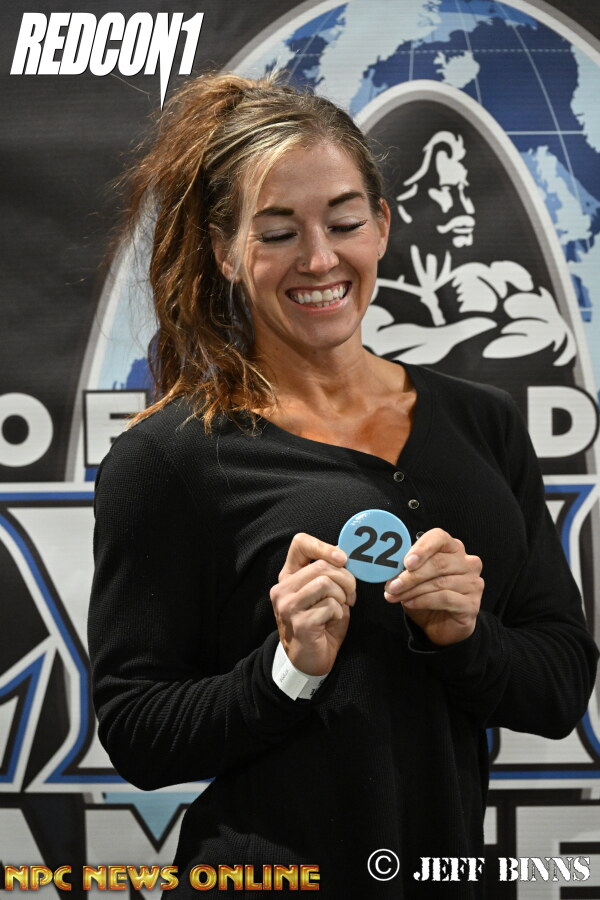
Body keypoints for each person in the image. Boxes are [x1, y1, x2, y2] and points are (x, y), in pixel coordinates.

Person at [87, 72, 598, 899]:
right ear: (225, 251)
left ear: (383, 225)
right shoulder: (169, 458)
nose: (320, 259)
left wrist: (467, 637)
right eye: (278, 232)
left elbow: (560, 684)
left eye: (345, 222)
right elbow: (138, 733)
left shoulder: (484, 424)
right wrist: (286, 669)